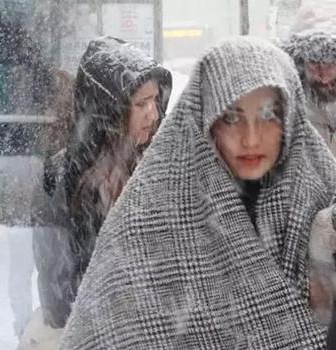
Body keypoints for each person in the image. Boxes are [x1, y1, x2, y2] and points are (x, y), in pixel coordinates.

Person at [60, 37, 336, 349]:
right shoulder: (150, 216)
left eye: (269, 114)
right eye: (231, 117)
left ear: (292, 118)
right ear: (205, 117)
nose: (250, 138)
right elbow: (110, 330)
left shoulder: (323, 201)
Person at [21, 37, 172, 348]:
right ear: (108, 109)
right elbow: (58, 282)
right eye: (141, 104)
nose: (153, 114)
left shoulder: (162, 166)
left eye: (156, 100)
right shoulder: (64, 177)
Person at [283, 0, 336, 155]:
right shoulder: (287, 112)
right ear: (299, 61)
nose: (323, 78)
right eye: (314, 63)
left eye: (331, 63)